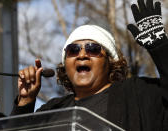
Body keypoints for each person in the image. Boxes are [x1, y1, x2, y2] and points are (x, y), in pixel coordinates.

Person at [11, 0, 168, 130]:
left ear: (110, 62)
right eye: (73, 50)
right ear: (65, 65)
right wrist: (25, 102)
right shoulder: (52, 110)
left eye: (93, 49)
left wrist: (161, 48)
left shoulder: (138, 93)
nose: (82, 55)